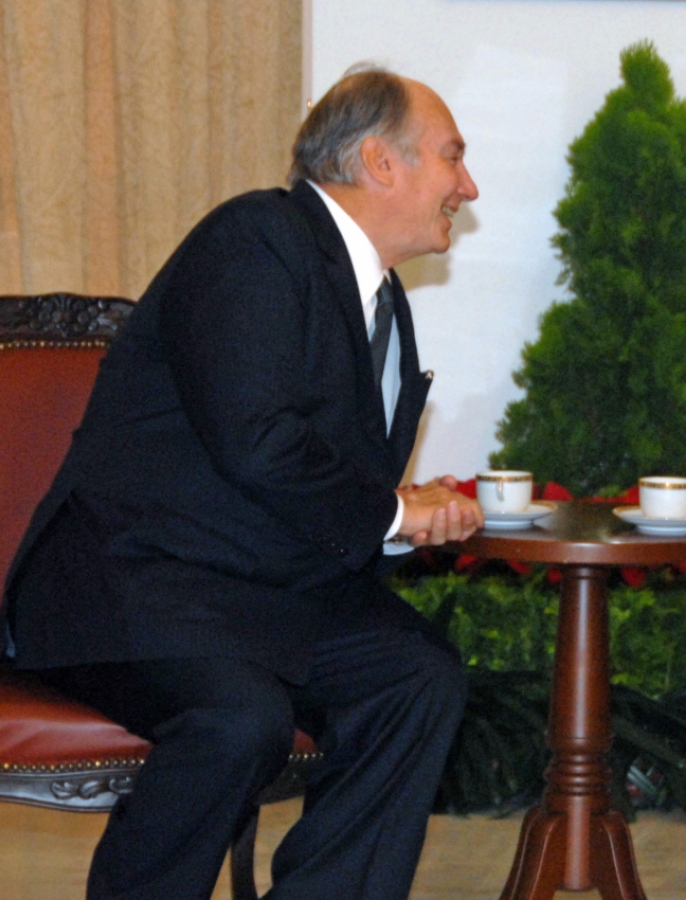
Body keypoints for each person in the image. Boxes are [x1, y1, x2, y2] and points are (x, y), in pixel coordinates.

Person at [1, 66, 483, 900]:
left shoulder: (384, 304)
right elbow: (258, 441)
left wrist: (409, 524)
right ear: (379, 160)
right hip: (138, 580)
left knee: (419, 677)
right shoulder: (256, 239)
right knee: (239, 720)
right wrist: (399, 510)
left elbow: (333, 491)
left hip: (262, 595)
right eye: (451, 157)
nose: (466, 186)